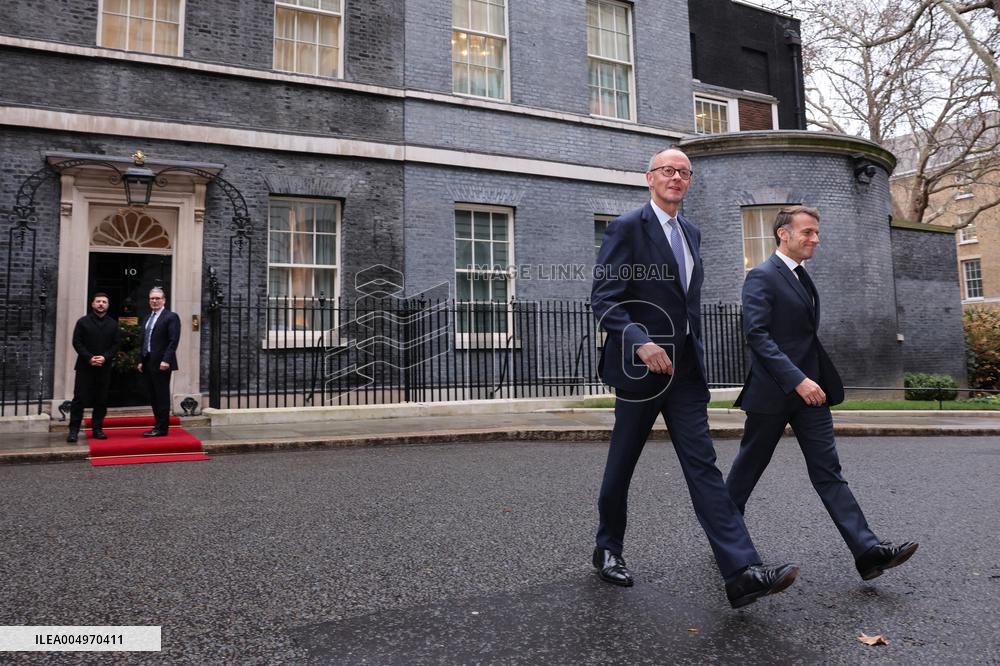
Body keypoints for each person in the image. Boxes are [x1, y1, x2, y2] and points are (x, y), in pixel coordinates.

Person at [591, 147, 799, 608]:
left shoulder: (691, 232)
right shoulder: (627, 228)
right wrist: (640, 341)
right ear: (649, 178)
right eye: (668, 171)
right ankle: (608, 548)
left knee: (703, 467)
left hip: (684, 371)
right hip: (641, 367)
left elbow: (686, 304)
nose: (677, 178)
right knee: (622, 464)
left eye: (684, 173)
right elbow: (604, 298)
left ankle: (741, 571)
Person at [726, 206, 918, 581]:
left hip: (811, 394)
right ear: (783, 234)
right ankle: (726, 542)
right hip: (775, 392)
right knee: (746, 473)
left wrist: (809, 381)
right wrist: (797, 378)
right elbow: (757, 336)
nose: (816, 239)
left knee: (829, 472)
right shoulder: (762, 277)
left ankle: (867, 552)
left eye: (816, 233)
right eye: (808, 232)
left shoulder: (802, 278)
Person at [67, 293, 121, 443]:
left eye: (104, 302)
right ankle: (73, 431)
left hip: (104, 367)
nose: (101, 304)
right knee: (79, 399)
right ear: (92, 304)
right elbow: (77, 342)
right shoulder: (82, 322)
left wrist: (105, 357)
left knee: (101, 399)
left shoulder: (113, 324)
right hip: (85, 366)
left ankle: (97, 429)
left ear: (108, 305)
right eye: (98, 301)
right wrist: (89, 357)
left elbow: (116, 344)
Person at [137, 287, 181, 437]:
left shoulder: (171, 317)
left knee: (161, 396)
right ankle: (158, 425)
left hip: (162, 363)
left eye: (157, 298)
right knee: (153, 395)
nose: (154, 301)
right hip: (148, 361)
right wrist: (141, 360)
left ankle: (162, 428)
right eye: (152, 299)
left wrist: (166, 360)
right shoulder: (147, 318)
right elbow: (144, 340)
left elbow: (173, 341)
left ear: (164, 300)